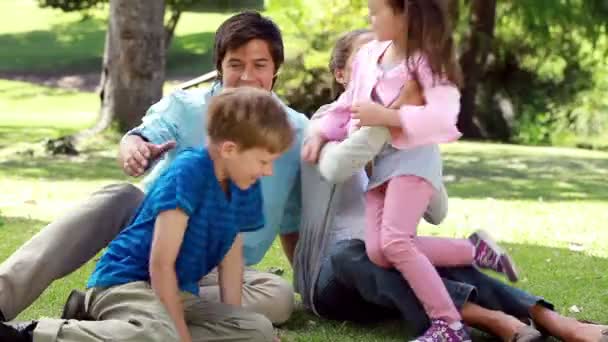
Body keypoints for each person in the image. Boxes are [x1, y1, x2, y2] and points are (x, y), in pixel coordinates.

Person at [294, 26, 608, 342]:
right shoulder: (323, 125)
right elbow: (337, 165)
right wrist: (386, 124)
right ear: (341, 75)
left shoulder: (398, 128)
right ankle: (488, 319)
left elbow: (436, 213)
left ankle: (551, 319)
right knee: (352, 253)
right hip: (332, 281)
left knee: (417, 255)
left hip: (390, 272)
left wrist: (417, 149)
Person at [0, 11, 308, 330]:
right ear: (219, 67)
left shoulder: (296, 132)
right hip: (151, 231)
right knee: (119, 196)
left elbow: (291, 221)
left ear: (275, 70)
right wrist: (134, 147)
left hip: (210, 266)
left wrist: (304, 285)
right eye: (235, 64)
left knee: (278, 296)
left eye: (259, 65)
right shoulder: (186, 106)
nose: (246, 77)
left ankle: (120, 307)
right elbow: (142, 135)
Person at [302, 1, 516, 340]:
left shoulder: (426, 64)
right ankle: (474, 250)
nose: (369, 18)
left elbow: (442, 121)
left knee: (396, 242)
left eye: (377, 11)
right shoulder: (370, 56)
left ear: (407, 16)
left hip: (414, 161)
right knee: (379, 252)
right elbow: (347, 105)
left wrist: (386, 116)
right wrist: (318, 132)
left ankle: (449, 324)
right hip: (384, 166)